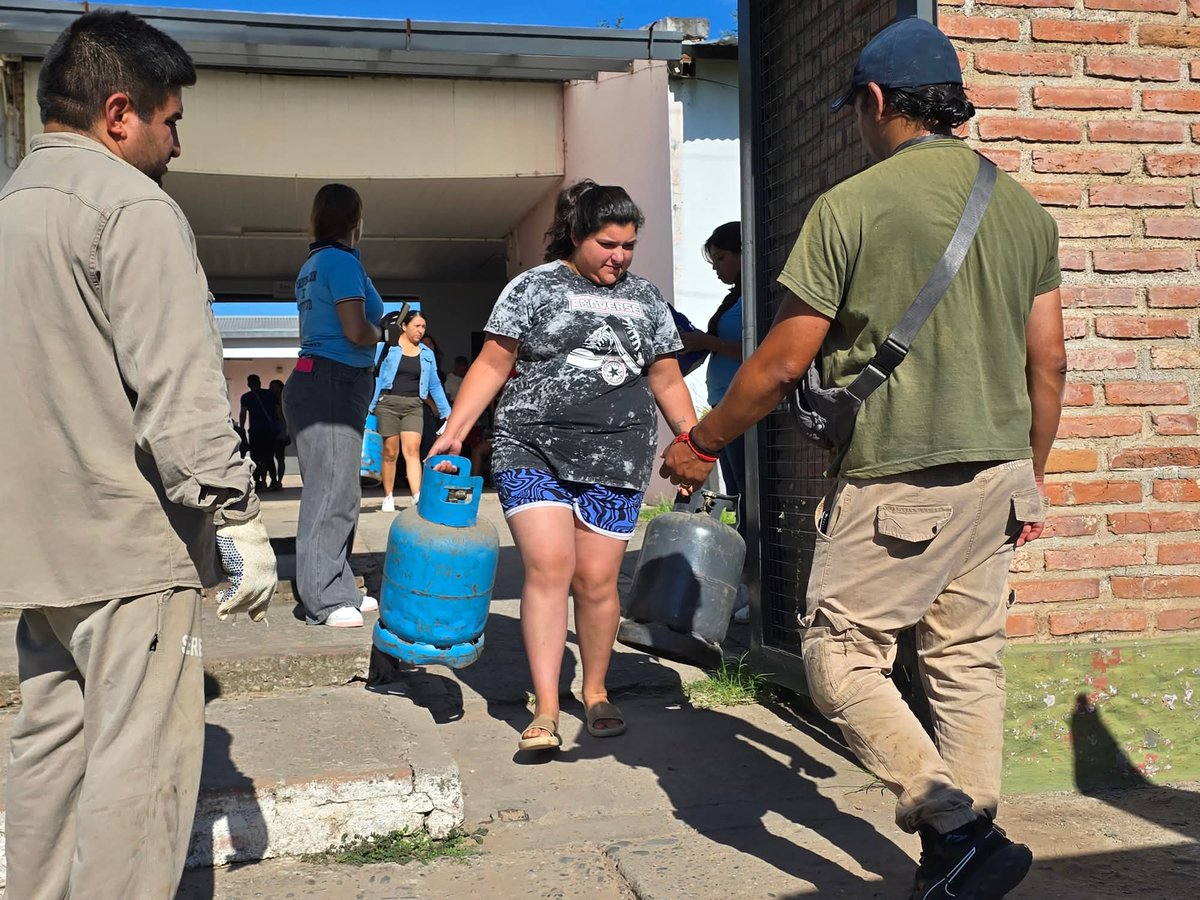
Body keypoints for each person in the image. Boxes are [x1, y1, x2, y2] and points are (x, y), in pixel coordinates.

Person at [660, 18, 1064, 900]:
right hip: (999, 473)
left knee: (838, 657)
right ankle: (963, 856)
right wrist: (1030, 474)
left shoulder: (850, 207)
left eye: (855, 111)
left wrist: (702, 443)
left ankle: (954, 831)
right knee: (965, 661)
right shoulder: (1023, 208)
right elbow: (1050, 362)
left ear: (877, 103)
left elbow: (778, 364)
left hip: (899, 478)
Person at [0, 11, 277, 898]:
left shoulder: (8, 212)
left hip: (32, 554)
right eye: (172, 120)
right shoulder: (132, 208)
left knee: (48, 760)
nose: (177, 143)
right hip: (129, 547)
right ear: (120, 113)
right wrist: (238, 516)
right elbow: (180, 394)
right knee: (136, 776)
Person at [429, 179, 697, 753]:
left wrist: (693, 444)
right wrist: (453, 432)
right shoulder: (531, 289)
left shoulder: (647, 300)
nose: (619, 256)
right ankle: (547, 706)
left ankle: (596, 691)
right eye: (607, 243)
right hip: (531, 447)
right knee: (550, 568)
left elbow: (666, 377)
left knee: (596, 580)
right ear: (576, 235)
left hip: (616, 454)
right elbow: (494, 362)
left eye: (628, 244)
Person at [285, 183, 403, 627]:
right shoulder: (341, 261)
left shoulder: (314, 263)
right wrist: (387, 334)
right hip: (333, 379)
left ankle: (337, 585)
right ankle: (323, 598)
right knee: (332, 490)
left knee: (337, 488)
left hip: (322, 377)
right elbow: (357, 332)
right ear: (356, 220)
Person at [370, 310, 452, 512]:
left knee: (413, 450)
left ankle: (416, 496)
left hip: (414, 405)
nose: (421, 330)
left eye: (423, 326)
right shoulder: (387, 348)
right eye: (417, 326)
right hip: (387, 403)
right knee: (390, 452)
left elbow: (434, 384)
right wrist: (370, 406)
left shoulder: (426, 353)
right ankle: (388, 496)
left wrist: (447, 412)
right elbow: (376, 377)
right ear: (404, 327)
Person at [239, 373, 281, 491]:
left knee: (256, 457)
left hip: (255, 431)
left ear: (248, 384)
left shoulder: (246, 397)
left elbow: (243, 413)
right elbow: (277, 412)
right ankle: (274, 480)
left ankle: (258, 482)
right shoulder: (270, 395)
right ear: (259, 382)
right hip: (269, 431)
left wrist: (242, 429)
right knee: (269, 457)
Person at [269, 378, 289, 488]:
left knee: (279, 458)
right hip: (274, 432)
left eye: (273, 387)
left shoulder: (284, 400)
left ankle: (278, 480)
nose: (271, 389)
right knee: (273, 458)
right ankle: (275, 480)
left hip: (280, 432)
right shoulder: (273, 400)